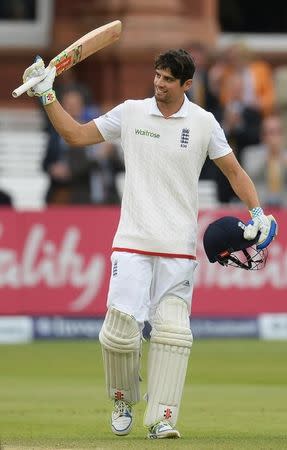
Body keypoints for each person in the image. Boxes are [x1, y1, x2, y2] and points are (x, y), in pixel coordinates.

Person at [21, 50, 277, 439]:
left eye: (168, 79)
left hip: (178, 245)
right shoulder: (131, 112)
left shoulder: (204, 122)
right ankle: (123, 398)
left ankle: (162, 417)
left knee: (173, 334)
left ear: (187, 85)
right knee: (120, 331)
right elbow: (74, 135)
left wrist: (257, 213)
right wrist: (48, 95)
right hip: (132, 240)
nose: (158, 84)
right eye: (156, 76)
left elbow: (235, 172)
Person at [242, 113, 287, 208]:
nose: (275, 137)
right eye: (271, 132)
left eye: (278, 132)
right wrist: (269, 156)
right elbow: (247, 177)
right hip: (259, 206)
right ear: (263, 135)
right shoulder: (250, 153)